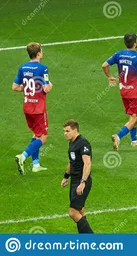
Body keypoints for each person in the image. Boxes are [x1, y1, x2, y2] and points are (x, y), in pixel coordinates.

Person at [12, 42, 52, 175]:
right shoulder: (43, 68)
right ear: (39, 53)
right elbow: (46, 88)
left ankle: (36, 164)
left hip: (27, 107)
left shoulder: (23, 67)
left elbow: (15, 87)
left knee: (36, 134)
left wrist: (28, 88)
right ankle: (22, 156)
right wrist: (50, 85)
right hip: (39, 109)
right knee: (43, 138)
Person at [61, 120, 94, 233]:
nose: (65, 133)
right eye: (64, 131)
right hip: (74, 180)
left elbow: (88, 163)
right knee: (80, 211)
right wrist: (66, 176)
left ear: (75, 130)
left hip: (82, 181)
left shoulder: (83, 143)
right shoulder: (71, 142)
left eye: (67, 131)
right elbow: (72, 161)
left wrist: (83, 182)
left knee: (73, 212)